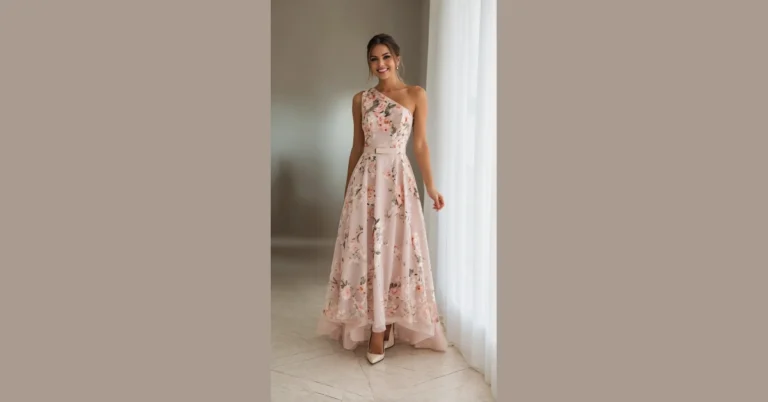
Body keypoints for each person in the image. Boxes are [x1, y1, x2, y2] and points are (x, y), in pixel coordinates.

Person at [316, 33, 447, 365]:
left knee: (395, 250)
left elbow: (420, 145)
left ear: (397, 59)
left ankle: (386, 325)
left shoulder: (416, 94)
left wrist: (431, 186)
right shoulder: (361, 99)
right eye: (374, 59)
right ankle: (376, 325)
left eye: (386, 57)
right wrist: (349, 190)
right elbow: (357, 147)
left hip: (398, 180)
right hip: (367, 180)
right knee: (369, 250)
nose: (381, 64)